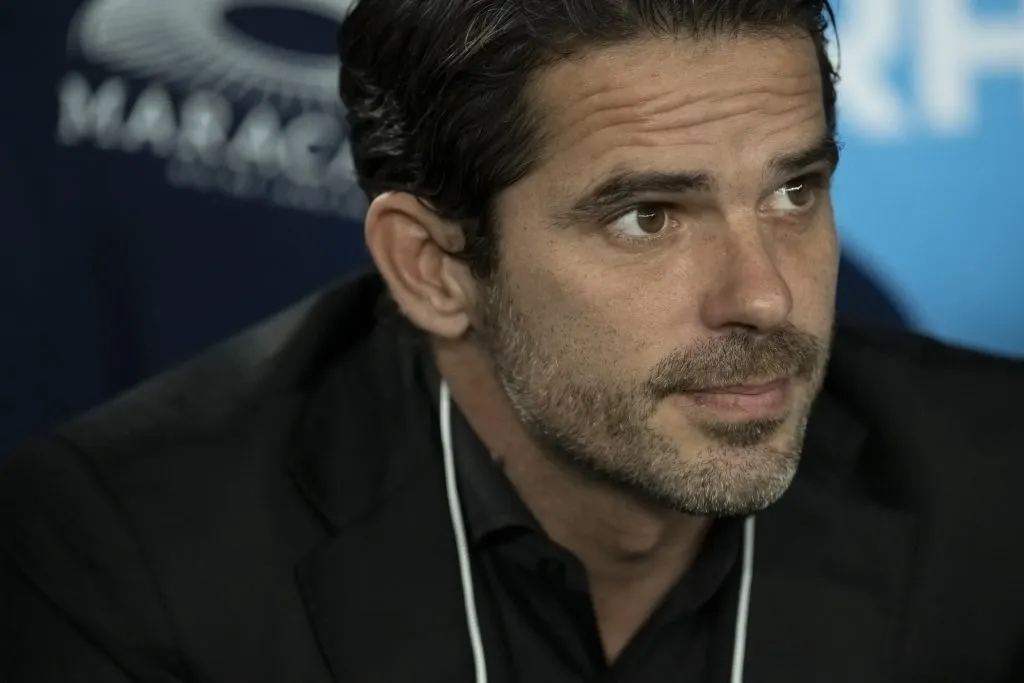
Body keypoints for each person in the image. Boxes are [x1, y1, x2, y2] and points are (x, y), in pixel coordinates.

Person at [2, 0, 1023, 680]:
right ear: (433, 268)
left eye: (794, 191)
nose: (763, 296)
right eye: (648, 216)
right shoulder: (124, 561)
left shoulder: (999, 495)